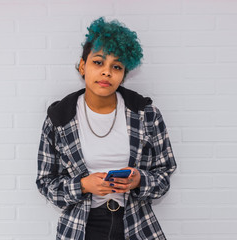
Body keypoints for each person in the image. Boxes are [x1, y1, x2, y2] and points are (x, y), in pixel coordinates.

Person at [36, 17, 177, 240]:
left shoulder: (146, 114)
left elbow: (164, 174)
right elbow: (46, 183)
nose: (107, 72)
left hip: (137, 226)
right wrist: (83, 185)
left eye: (116, 66)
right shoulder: (59, 118)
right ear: (83, 66)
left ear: (123, 74)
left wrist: (139, 180)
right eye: (98, 62)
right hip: (80, 228)